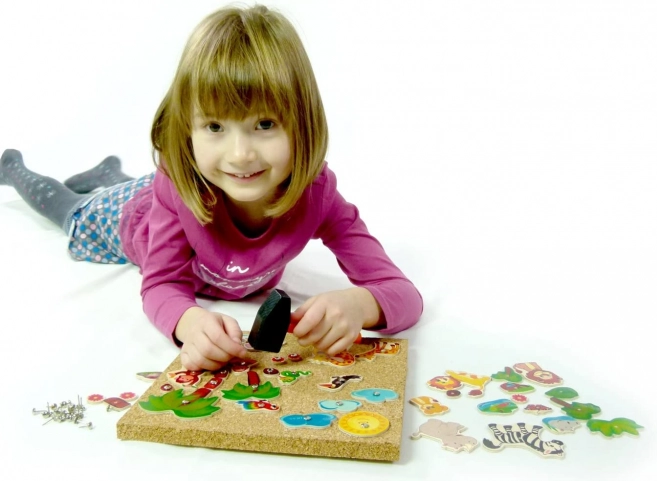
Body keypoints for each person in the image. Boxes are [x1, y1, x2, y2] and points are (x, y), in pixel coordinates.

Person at [0, 5, 423, 371]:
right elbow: (161, 285)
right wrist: (188, 322)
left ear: (303, 123)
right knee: (70, 211)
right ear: (188, 129)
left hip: (168, 189)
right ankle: (14, 167)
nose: (240, 155)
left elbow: (403, 294)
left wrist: (361, 305)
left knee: (139, 188)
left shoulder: (318, 196)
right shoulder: (176, 187)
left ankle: (109, 172)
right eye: (215, 126)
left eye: (264, 124)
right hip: (129, 218)